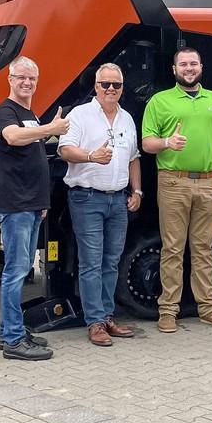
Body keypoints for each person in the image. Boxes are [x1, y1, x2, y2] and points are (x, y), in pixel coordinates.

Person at [141, 47, 212, 333]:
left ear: (201, 67)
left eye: (193, 63)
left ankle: (208, 307)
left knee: (204, 248)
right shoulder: (159, 101)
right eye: (183, 64)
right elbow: (147, 143)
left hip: (208, 181)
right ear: (174, 70)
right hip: (173, 181)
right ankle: (168, 310)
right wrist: (168, 142)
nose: (189, 68)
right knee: (172, 248)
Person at [57, 63, 143, 346]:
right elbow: (65, 150)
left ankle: (106, 316)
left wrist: (138, 191)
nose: (110, 89)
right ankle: (94, 322)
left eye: (116, 85)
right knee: (91, 263)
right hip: (87, 198)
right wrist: (92, 157)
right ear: (95, 86)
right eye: (105, 84)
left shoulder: (127, 119)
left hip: (118, 200)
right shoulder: (80, 116)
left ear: (122, 88)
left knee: (111, 261)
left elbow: (133, 158)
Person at [0, 55, 69, 361]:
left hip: (31, 204)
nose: (26, 82)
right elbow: (13, 136)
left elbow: (32, 154)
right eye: (21, 77)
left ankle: (9, 332)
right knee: (16, 271)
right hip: (16, 204)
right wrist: (50, 128)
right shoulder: (5, 112)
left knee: (19, 268)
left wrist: (42, 203)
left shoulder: (27, 112)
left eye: (31, 78)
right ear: (10, 80)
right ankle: (13, 341)